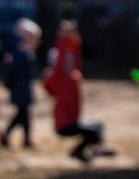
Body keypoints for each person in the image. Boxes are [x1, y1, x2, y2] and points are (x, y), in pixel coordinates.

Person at [45, 18, 114, 164]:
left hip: (73, 121)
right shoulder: (60, 78)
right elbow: (62, 57)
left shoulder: (74, 75)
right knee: (93, 131)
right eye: (66, 61)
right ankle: (97, 147)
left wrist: (73, 36)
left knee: (97, 127)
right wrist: (63, 36)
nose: (69, 63)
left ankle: (78, 152)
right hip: (64, 125)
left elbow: (75, 56)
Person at [0, 18, 41, 149]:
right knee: (22, 114)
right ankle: (8, 135)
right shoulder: (20, 52)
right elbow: (13, 69)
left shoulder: (24, 52)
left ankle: (24, 139)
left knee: (24, 114)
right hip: (19, 89)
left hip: (24, 88)